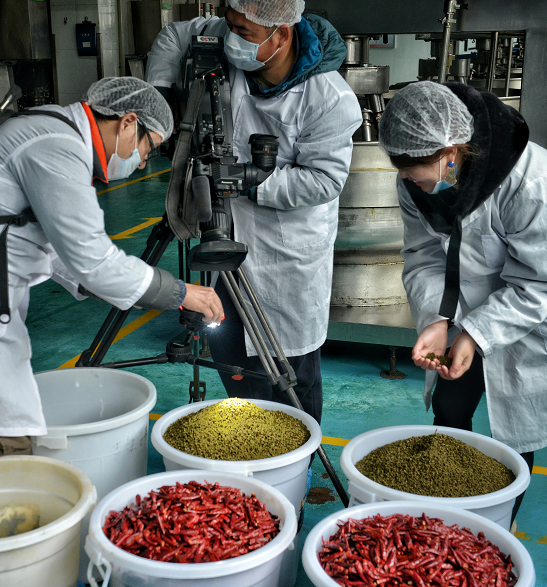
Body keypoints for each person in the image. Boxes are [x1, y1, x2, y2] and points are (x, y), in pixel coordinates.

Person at [145, 0, 362, 424]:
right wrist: (164, 99)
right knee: (230, 354)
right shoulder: (232, 35)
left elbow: (325, 181)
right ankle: (245, 445)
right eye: (230, 25)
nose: (231, 39)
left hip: (285, 253)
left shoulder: (329, 98)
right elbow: (173, 36)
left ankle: (293, 466)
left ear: (280, 35)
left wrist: (250, 180)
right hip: (221, 234)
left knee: (286, 371)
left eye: (244, 32)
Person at [0, 76, 223, 456]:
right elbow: (90, 257)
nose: (142, 162)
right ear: (128, 122)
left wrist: (121, 287)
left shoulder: (55, 129)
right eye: (148, 149)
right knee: (11, 430)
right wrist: (180, 292)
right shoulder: (56, 145)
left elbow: (57, 246)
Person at [378, 80, 547, 526]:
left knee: (513, 428)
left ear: (452, 150)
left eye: (417, 171)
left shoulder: (529, 183)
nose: (409, 181)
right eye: (403, 171)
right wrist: (437, 320)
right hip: (464, 310)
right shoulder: (416, 180)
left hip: (526, 316)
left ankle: (498, 520)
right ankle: (449, 505)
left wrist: (476, 332)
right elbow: (423, 254)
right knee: (450, 407)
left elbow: (539, 284)